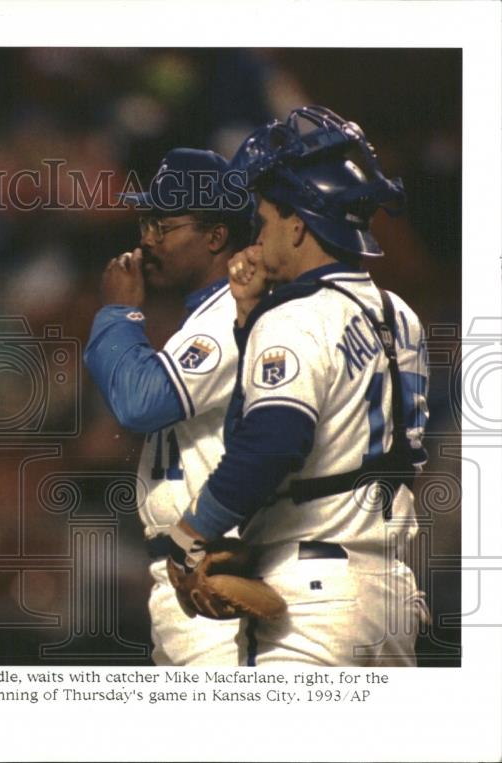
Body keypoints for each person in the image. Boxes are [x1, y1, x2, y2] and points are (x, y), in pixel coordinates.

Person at [160, 106, 429, 666]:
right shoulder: (400, 313)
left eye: (263, 219)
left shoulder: (295, 317)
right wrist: (247, 315)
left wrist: (190, 535)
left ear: (300, 223)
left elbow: (270, 442)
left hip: (313, 600)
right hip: (393, 594)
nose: (255, 235)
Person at [84, 148, 253, 665]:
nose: (147, 240)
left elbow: (140, 404)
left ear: (215, 236)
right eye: (146, 221)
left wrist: (117, 312)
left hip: (219, 567)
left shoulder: (233, 312)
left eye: (164, 225)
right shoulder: (206, 315)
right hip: (183, 572)